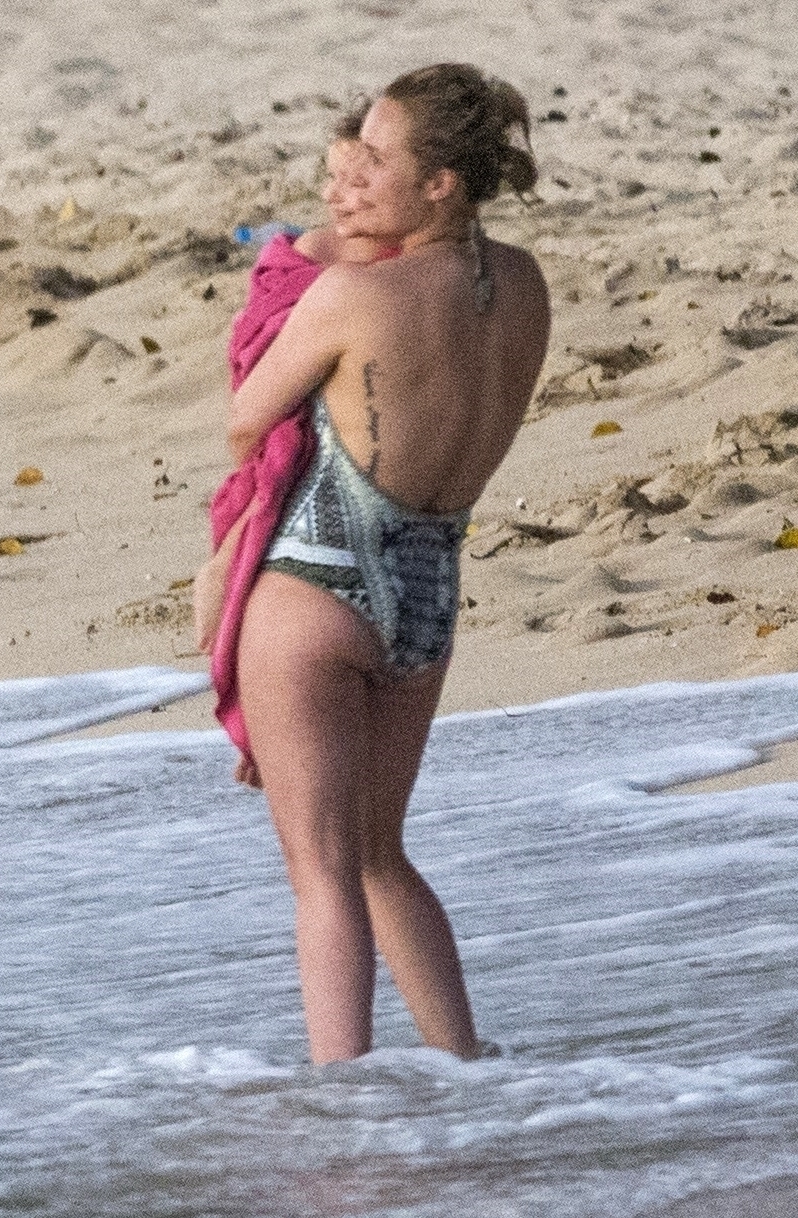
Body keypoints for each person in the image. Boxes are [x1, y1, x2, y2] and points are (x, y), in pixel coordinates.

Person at [227, 63, 550, 1064]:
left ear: (439, 183)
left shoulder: (353, 294)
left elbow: (245, 420)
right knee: (380, 856)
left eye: (376, 155)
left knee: (321, 873)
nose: (353, 169)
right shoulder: (523, 286)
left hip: (314, 589)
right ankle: (467, 1068)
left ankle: (344, 1105)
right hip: (425, 600)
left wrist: (300, 273)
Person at [194, 106, 396, 783]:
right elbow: (253, 367)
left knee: (332, 845)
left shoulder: (376, 281)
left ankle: (268, 722)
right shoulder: (476, 279)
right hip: (415, 561)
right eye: (331, 178)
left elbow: (249, 420)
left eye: (359, 181)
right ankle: (267, 724)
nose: (338, 196)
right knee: (373, 832)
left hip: (323, 535)